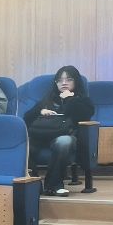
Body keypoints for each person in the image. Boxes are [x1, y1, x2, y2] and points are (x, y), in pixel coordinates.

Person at [25, 65, 95, 196]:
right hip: (41, 136)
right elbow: (26, 118)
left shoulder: (83, 100)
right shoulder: (48, 99)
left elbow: (83, 117)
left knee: (64, 142)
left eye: (69, 79)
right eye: (60, 80)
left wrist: (69, 99)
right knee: (24, 144)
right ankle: (34, 184)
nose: (64, 83)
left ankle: (53, 185)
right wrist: (41, 111)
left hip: (66, 136)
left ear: (76, 81)